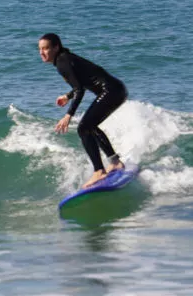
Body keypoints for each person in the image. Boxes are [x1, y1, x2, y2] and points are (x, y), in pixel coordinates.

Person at [38, 33, 127, 188]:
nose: (42, 52)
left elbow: (80, 89)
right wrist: (68, 96)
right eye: (40, 49)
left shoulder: (62, 62)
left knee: (84, 128)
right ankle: (115, 162)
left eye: (46, 48)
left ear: (56, 47)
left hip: (111, 91)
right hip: (116, 89)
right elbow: (82, 83)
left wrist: (68, 115)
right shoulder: (65, 58)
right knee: (89, 127)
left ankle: (99, 170)